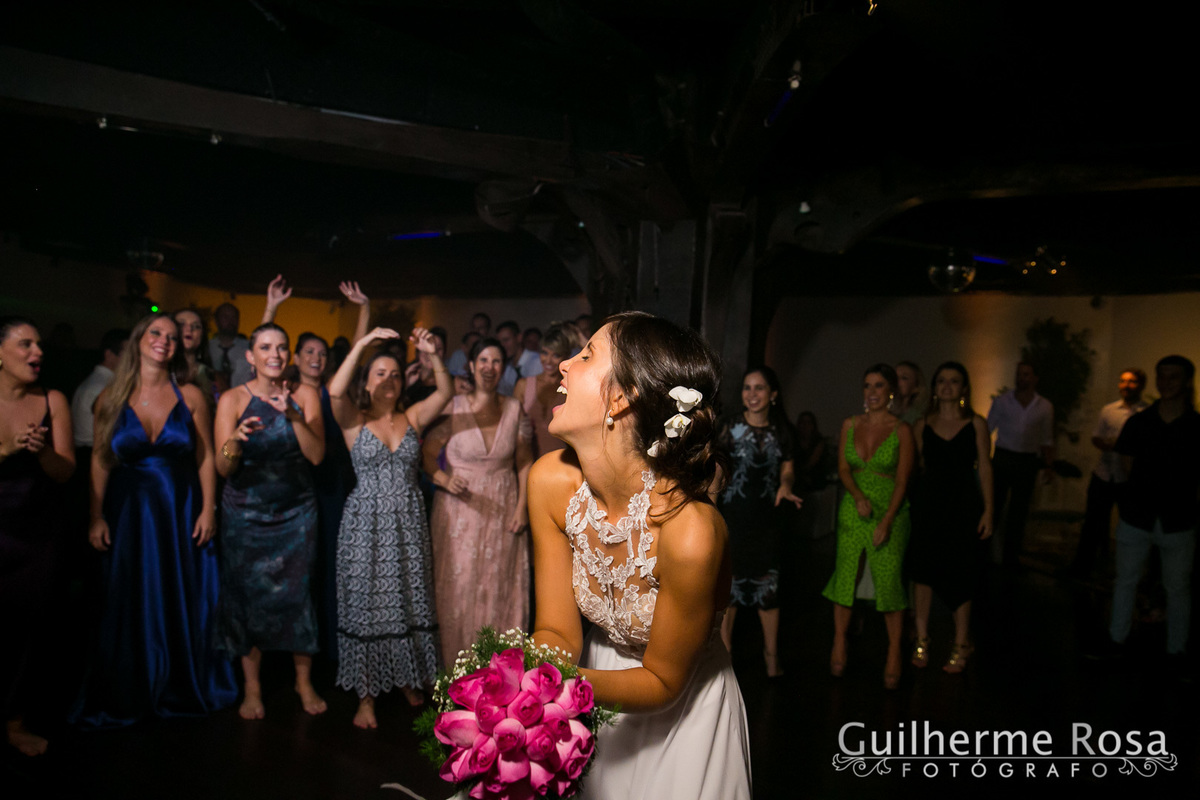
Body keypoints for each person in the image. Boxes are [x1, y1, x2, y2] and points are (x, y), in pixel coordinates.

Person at [529, 311, 751, 799]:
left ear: (620, 396)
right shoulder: (549, 482)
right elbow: (556, 630)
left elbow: (662, 680)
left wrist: (553, 686)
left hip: (685, 711)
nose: (563, 365)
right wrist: (523, 694)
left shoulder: (690, 531)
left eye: (586, 355)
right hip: (597, 683)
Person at [73, 313, 236, 727]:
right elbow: (100, 459)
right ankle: (129, 685)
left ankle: (179, 684)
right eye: (155, 333)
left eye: (171, 336)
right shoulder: (110, 396)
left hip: (179, 509)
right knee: (129, 596)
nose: (164, 341)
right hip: (128, 513)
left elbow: (203, 459)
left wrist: (207, 509)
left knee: (179, 592)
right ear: (138, 341)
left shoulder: (192, 396)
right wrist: (95, 516)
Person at [327, 326, 452, 727]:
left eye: (395, 374)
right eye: (379, 373)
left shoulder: (412, 416)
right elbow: (334, 391)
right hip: (365, 526)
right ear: (365, 381)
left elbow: (446, 394)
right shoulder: (353, 420)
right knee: (367, 607)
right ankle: (365, 697)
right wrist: (363, 344)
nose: (388, 379)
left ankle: (405, 679)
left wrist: (432, 354)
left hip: (408, 524)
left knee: (407, 602)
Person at [213, 323, 326, 719]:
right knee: (248, 598)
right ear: (251, 356)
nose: (274, 354)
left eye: (281, 346)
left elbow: (316, 457)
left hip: (296, 511)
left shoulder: (306, 394)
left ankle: (303, 681)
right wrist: (235, 441)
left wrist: (294, 415)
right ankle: (253, 687)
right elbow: (222, 468)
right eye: (265, 347)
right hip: (245, 512)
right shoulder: (231, 399)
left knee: (299, 594)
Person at [261, 277, 371, 658]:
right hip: (299, 485)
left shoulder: (333, 389)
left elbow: (358, 352)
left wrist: (364, 308)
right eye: (308, 351)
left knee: (332, 562)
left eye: (322, 353)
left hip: (334, 483)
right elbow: (260, 355)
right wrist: (271, 309)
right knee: (301, 566)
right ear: (295, 356)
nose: (316, 358)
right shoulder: (285, 390)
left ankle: (330, 643)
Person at [424, 336, 533, 664]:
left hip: (503, 506)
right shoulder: (452, 406)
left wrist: (522, 506)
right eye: (483, 360)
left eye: (496, 361)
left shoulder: (514, 409)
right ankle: (456, 671)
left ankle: (499, 673)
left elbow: (525, 462)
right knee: (459, 587)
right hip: (458, 512)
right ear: (471, 366)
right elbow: (427, 453)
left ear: (504, 368)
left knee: (498, 587)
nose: (489, 367)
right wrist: (443, 478)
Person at [0, 316, 75, 756]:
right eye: (25, 344)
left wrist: (41, 449)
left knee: (26, 631)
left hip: (37, 533)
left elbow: (65, 471)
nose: (38, 353)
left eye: (40, 345)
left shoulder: (53, 399)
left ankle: (14, 721)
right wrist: (7, 450)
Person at [1105, 356, 1200, 669]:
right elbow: (1126, 462)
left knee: (1177, 588)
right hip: (1140, 514)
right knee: (1127, 580)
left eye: (1173, 377)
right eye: (1162, 376)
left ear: (1186, 381)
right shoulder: (1141, 422)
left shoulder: (1194, 425)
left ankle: (1176, 650)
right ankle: (1117, 640)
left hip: (1177, 518)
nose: (1166, 382)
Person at [823, 364, 913, 689]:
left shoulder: (902, 430)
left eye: (879, 385)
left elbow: (903, 480)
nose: (872, 392)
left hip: (891, 510)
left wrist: (888, 519)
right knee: (846, 576)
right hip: (853, 507)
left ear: (890, 391)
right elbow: (844, 468)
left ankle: (893, 651)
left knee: (888, 580)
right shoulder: (850, 423)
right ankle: (839, 641)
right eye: (867, 385)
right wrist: (858, 496)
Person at [908, 362, 994, 674]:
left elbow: (985, 466)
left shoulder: (976, 424)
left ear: (963, 389)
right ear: (934, 387)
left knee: (962, 571)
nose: (947, 386)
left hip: (963, 505)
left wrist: (989, 509)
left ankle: (960, 642)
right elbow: (913, 467)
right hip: (929, 504)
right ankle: (922, 638)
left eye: (954, 381)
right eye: (941, 380)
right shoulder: (922, 424)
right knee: (924, 571)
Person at [717, 366, 802, 678]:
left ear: (773, 395)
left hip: (768, 517)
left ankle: (771, 655)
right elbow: (716, 467)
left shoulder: (783, 432)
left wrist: (787, 484)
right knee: (730, 589)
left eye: (759, 388)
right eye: (747, 388)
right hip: (733, 516)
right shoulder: (728, 427)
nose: (751, 395)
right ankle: (725, 658)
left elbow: (788, 470)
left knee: (769, 588)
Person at [1071, 368, 1148, 579]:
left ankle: (1126, 572)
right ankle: (1082, 567)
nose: (1125, 385)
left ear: (1141, 385)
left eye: (1131, 382)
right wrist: (1107, 444)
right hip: (1104, 473)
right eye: (1123, 381)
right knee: (1092, 523)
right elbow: (1096, 437)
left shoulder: (1146, 414)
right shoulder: (1109, 410)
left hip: (1128, 479)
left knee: (1129, 526)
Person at [987, 361, 1055, 567]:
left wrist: (1048, 466)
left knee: (1019, 510)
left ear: (1035, 378)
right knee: (994, 506)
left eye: (1026, 374)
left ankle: (1010, 557)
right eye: (1019, 374)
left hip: (1027, 460)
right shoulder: (1002, 401)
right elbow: (988, 428)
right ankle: (983, 553)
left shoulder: (1044, 406)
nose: (1021, 378)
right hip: (1003, 457)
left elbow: (1047, 438)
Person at [513, 321, 585, 458]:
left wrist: (581, 338)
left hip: (564, 465)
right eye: (544, 353)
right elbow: (513, 430)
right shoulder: (523, 385)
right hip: (530, 463)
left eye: (556, 355)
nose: (548, 360)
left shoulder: (570, 387)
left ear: (565, 356)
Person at [174, 309, 216, 401]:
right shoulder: (162, 370)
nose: (189, 329)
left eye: (196, 326)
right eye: (181, 324)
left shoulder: (211, 376)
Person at [208, 302, 253, 390]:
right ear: (216, 320)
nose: (230, 321)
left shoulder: (248, 347)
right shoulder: (208, 347)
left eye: (234, 317)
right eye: (225, 317)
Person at [496, 320, 542, 396]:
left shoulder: (537, 361)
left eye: (506, 340)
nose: (502, 345)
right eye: (499, 342)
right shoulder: (507, 368)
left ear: (519, 338)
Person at [894, 361, 925, 425]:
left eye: (904, 378)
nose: (896, 381)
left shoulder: (917, 420)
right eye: (894, 376)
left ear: (916, 387)